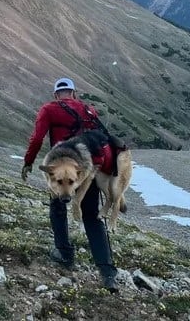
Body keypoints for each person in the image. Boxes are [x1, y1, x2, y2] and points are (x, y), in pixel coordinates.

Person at [21, 77, 119, 292]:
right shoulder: (88, 109)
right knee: (92, 216)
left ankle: (64, 253)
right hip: (85, 169)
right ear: (73, 93)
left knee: (57, 208)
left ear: (57, 95)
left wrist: (28, 162)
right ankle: (107, 271)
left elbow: (37, 139)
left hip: (60, 167)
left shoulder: (49, 109)